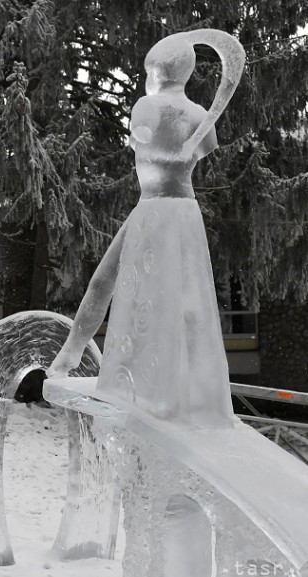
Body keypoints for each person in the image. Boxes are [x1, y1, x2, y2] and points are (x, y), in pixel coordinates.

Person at [48, 31, 244, 428]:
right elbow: (187, 148)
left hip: (155, 209)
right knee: (181, 298)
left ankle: (71, 354)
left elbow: (141, 143)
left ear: (157, 70)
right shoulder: (198, 116)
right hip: (183, 214)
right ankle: (170, 385)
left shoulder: (146, 108)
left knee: (107, 279)